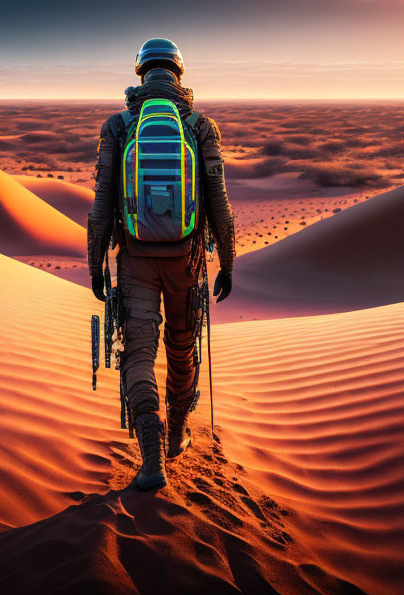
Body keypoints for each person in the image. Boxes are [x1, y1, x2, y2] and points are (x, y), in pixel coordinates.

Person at [87, 38, 235, 490]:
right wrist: (228, 263)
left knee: (137, 354)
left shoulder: (118, 126)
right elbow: (219, 204)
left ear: (140, 74)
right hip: (186, 262)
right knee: (181, 348)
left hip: (134, 260)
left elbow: (101, 204)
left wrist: (96, 265)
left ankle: (151, 461)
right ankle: (175, 436)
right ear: (178, 73)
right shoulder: (200, 126)